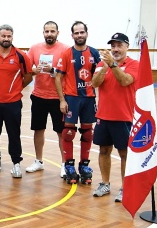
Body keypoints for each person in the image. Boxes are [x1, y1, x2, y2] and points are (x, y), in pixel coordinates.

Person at [90, 32, 139, 202]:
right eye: (113, 46)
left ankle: (126, 188)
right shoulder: (102, 64)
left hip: (124, 117)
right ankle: (105, 183)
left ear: (127, 47)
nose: (116, 49)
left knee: (124, 153)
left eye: (119, 45)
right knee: (104, 150)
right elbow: (94, 84)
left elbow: (125, 81)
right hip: (103, 116)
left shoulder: (134, 64)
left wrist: (112, 65)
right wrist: (104, 67)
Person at [54, 21, 102, 185]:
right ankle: (69, 166)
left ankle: (84, 166)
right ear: (72, 35)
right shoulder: (67, 54)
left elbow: (101, 76)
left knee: (88, 133)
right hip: (72, 99)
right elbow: (58, 77)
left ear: (86, 34)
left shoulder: (95, 53)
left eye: (82, 32)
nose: (79, 35)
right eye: (76, 33)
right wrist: (61, 100)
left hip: (89, 99)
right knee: (68, 132)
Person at [0, 24, 32, 178]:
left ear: (12, 37)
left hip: (13, 103)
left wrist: (15, 90)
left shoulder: (21, 56)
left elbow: (28, 76)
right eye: (3, 36)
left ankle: (16, 163)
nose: (6, 39)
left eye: (9, 36)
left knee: (14, 134)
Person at [24, 21, 68, 177]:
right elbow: (27, 69)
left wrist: (54, 70)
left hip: (58, 97)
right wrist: (34, 70)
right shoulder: (35, 48)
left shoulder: (65, 49)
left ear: (57, 32)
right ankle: (38, 161)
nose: (49, 34)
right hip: (38, 96)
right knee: (38, 129)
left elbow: (68, 72)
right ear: (43, 32)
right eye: (47, 31)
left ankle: (64, 164)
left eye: (52, 31)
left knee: (61, 132)